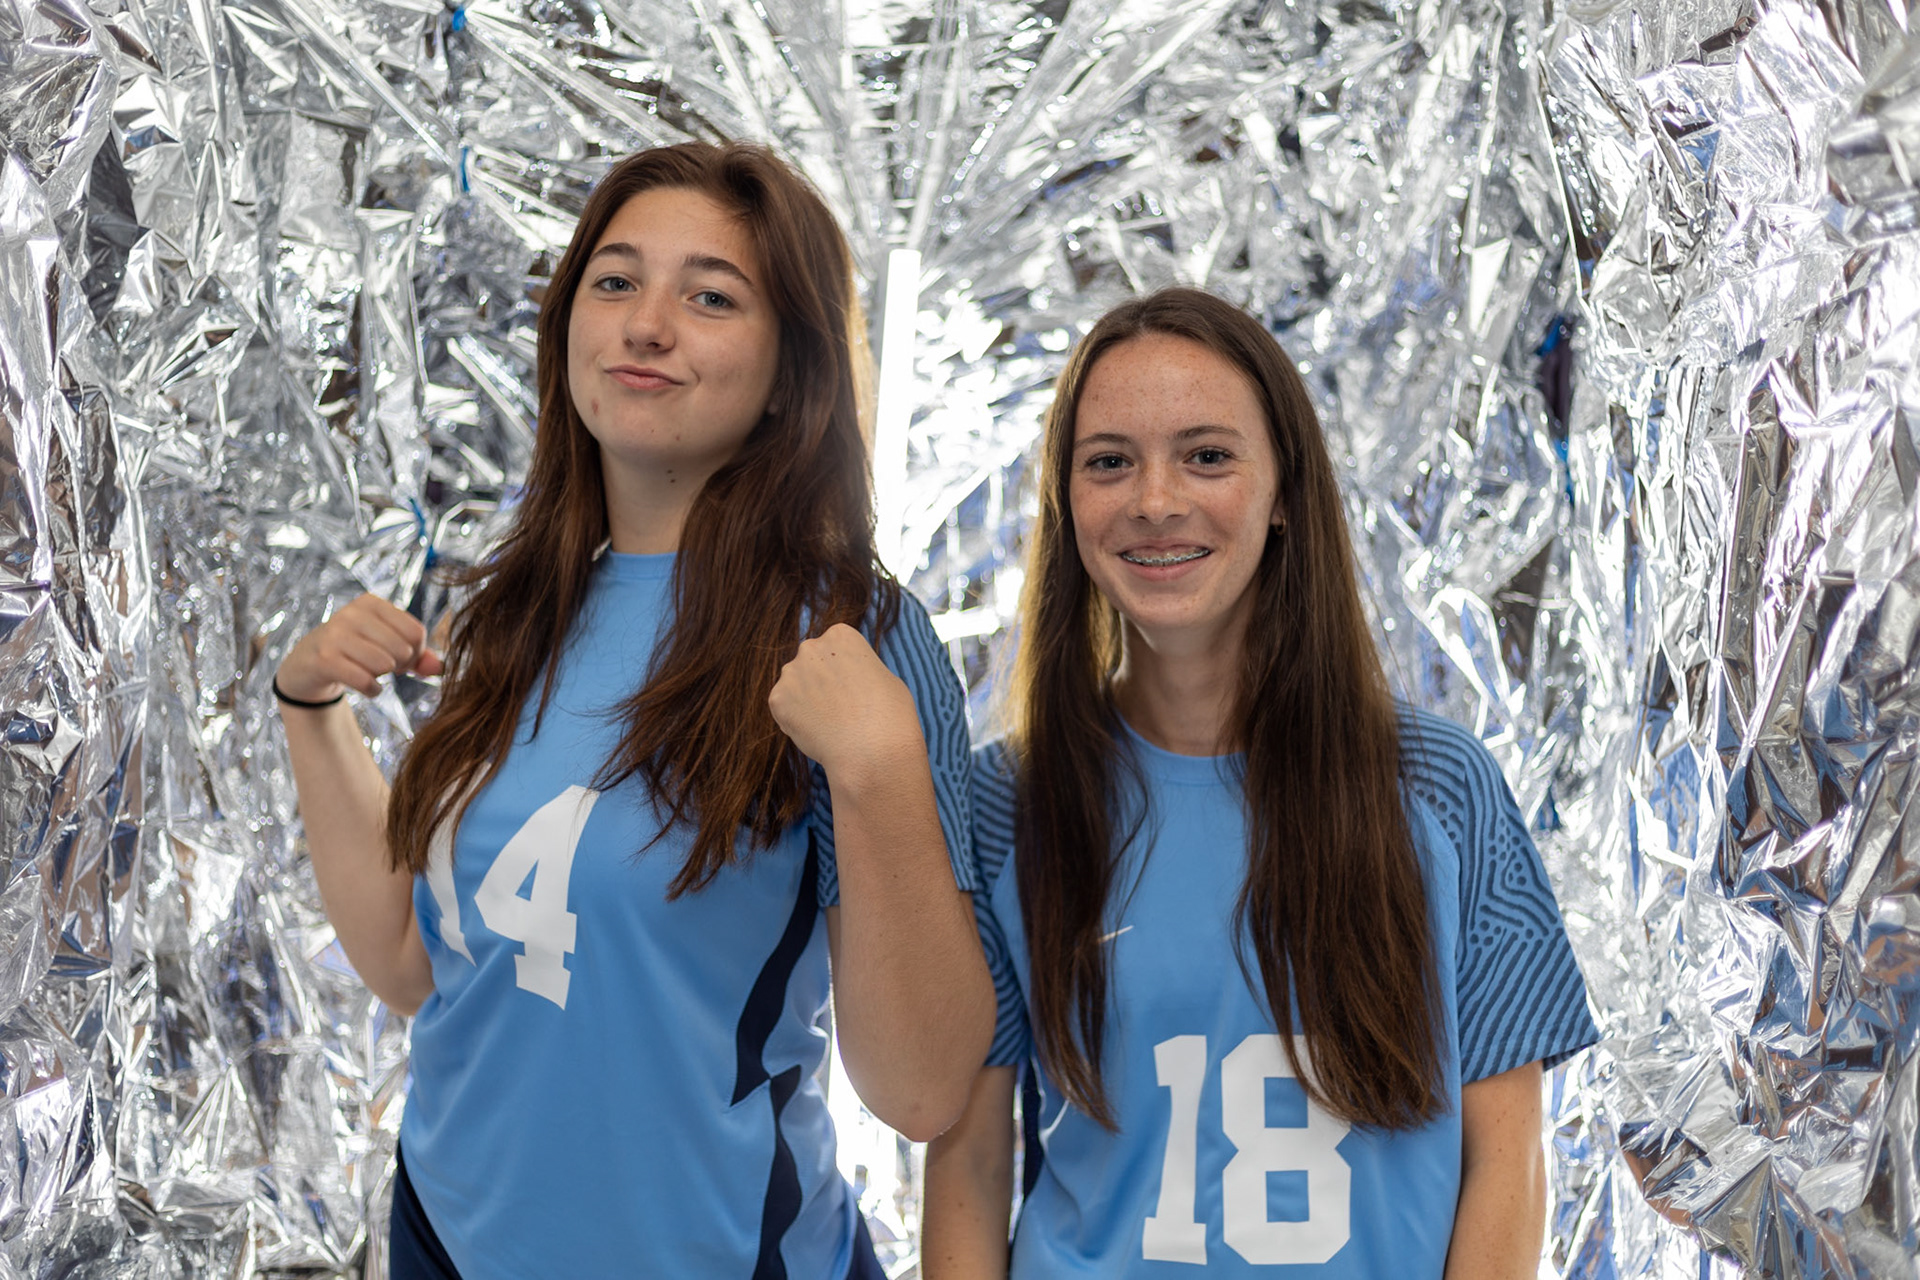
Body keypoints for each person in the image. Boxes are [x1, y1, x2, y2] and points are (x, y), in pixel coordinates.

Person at [273, 142, 993, 1279]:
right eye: (615, 282)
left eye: (710, 296)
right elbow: (427, 965)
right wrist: (308, 712)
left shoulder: (850, 634)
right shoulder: (512, 611)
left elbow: (919, 1089)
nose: (646, 325)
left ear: (791, 364)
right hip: (445, 1245)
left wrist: (883, 770)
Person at [920, 288, 1598, 1278]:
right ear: (1067, 502)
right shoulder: (1003, 803)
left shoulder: (1441, 787)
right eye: (1110, 460)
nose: (1156, 499)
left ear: (1284, 489)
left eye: (1206, 454)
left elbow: (1507, 1155)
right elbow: (970, 1162)